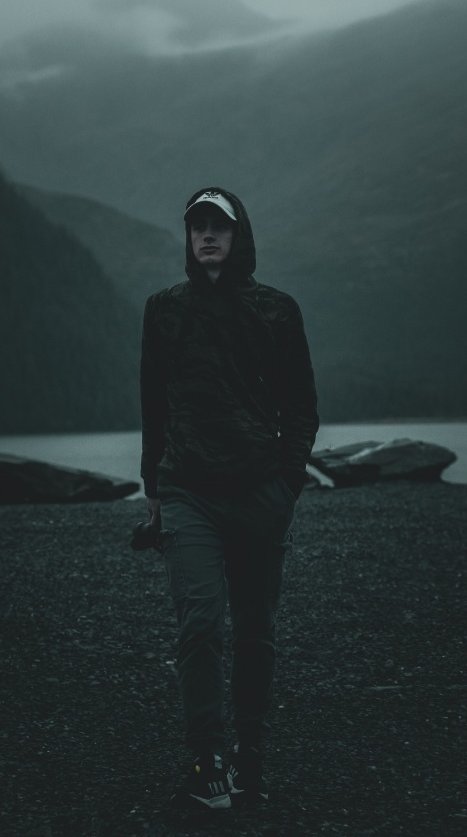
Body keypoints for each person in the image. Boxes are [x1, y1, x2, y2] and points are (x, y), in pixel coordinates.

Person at [140, 186, 319, 811]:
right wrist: (153, 487)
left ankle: (250, 749)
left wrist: (288, 483)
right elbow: (153, 404)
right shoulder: (164, 310)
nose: (208, 235)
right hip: (188, 489)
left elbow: (300, 404)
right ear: (188, 239)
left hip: (259, 492)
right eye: (198, 227)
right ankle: (206, 755)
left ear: (239, 234)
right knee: (199, 622)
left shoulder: (277, 310)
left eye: (219, 225)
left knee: (255, 630)